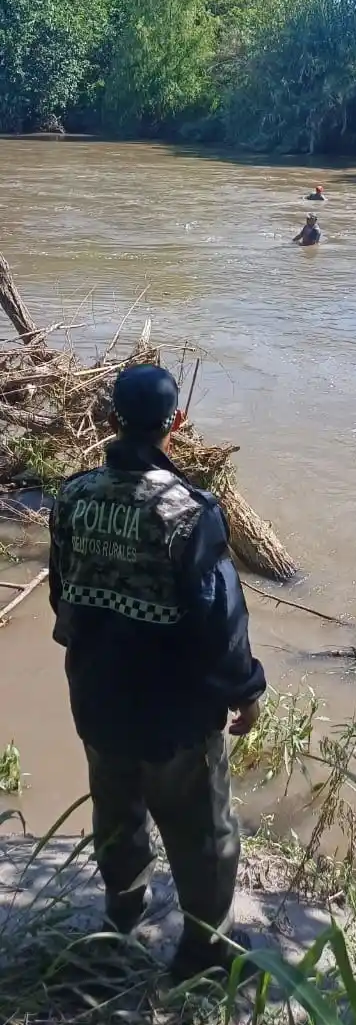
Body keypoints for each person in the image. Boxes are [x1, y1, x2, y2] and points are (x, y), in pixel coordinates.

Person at [48, 363, 266, 982]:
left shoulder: (71, 495)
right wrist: (245, 691)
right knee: (204, 832)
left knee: (116, 811)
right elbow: (218, 618)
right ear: (176, 423)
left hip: (95, 696)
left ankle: (122, 913)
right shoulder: (189, 512)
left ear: (111, 419)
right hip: (174, 714)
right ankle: (204, 953)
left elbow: (63, 595)